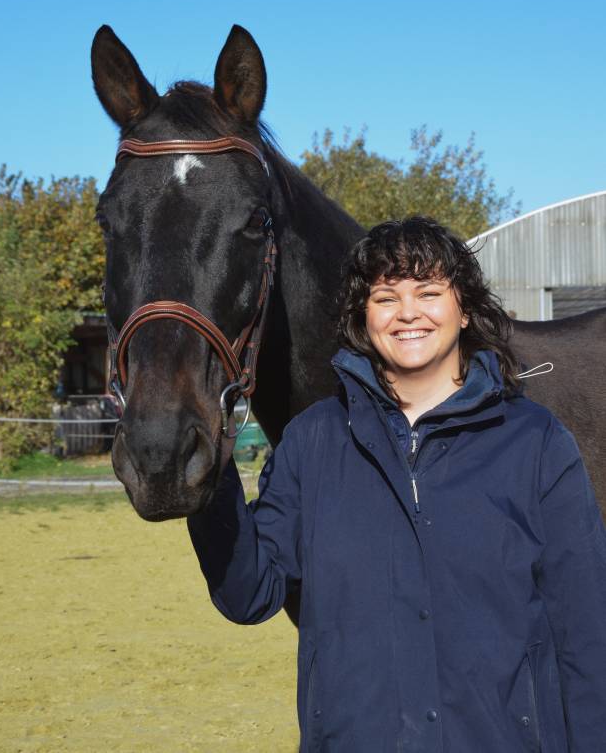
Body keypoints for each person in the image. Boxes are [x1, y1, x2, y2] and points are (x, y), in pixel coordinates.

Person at [188, 216, 606, 752]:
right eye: (386, 297)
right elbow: (249, 595)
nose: (408, 312)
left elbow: (587, 633)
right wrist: (208, 470)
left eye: (429, 292)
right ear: (364, 317)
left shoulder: (536, 443)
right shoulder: (312, 442)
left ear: (466, 308)